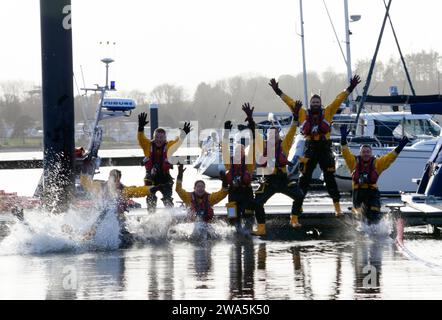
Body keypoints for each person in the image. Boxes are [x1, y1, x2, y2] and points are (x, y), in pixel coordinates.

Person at [270, 75, 361, 218]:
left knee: (330, 178)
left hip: (324, 149)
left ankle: (337, 208)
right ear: (310, 103)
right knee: (304, 180)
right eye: (313, 101)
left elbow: (339, 99)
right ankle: (297, 209)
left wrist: (350, 88)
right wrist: (278, 91)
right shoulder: (302, 113)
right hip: (310, 148)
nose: (316, 103)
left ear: (321, 103)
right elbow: (290, 102)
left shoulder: (328, 111)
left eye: (318, 101)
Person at [252, 94, 304, 236]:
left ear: (279, 137)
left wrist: (296, 116)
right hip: (269, 182)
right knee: (257, 203)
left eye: (275, 135)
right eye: (270, 135)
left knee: (299, 196)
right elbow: (254, 133)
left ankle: (294, 219)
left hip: (283, 180)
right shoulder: (263, 145)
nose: (272, 138)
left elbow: (293, 129)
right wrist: (251, 120)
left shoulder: (285, 145)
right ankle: (261, 228)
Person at [340, 125, 409, 224]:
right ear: (360, 153)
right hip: (358, 192)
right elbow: (345, 152)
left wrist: (400, 147)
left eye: (368, 152)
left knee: (374, 213)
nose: (366, 154)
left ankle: (377, 230)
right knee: (360, 216)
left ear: (371, 153)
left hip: (372, 192)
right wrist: (343, 139)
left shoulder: (378, 163)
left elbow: (390, 157)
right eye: (364, 152)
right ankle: (361, 230)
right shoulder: (353, 162)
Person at [80, 169, 163, 246]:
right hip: (100, 218)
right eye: (113, 179)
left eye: (117, 180)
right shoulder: (100, 186)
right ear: (109, 178)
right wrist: (84, 170)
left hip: (119, 220)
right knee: (102, 214)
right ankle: (86, 239)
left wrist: (154, 188)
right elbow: (86, 184)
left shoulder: (124, 190)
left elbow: (138, 191)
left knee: (126, 238)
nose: (115, 182)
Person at [137, 112, 191, 213]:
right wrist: (140, 128)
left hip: (165, 177)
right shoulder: (147, 145)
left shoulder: (169, 146)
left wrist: (183, 134)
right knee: (150, 198)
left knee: (167, 198)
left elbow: (177, 142)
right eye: (157, 137)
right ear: (154, 137)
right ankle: (151, 217)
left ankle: (170, 217)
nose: (159, 140)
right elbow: (141, 138)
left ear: (165, 138)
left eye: (161, 137)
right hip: (150, 177)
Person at [221, 103, 256, 234]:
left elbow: (253, 143)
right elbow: (224, 148)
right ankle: (235, 233)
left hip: (246, 192)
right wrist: (226, 132)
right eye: (235, 152)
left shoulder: (249, 163)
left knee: (248, 215)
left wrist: (251, 125)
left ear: (243, 153)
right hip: (233, 192)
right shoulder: (228, 164)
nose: (237, 154)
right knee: (232, 215)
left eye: (240, 152)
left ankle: (248, 233)